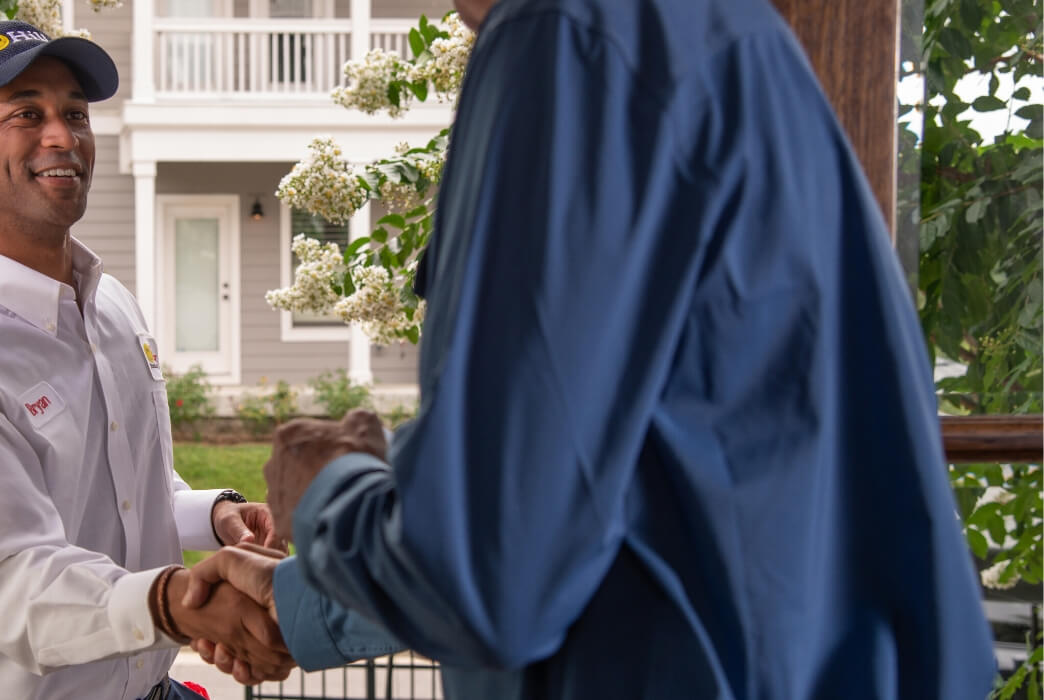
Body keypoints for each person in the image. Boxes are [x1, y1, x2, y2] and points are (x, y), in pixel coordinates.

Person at [185, 0, 998, 697]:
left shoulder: (568, 38)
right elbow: (610, 499)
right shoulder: (701, 36)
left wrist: (326, 489)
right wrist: (303, 604)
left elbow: (491, 576)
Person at [0, 21, 293, 700]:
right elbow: (12, 581)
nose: (62, 135)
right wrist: (180, 603)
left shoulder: (111, 308)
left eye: (75, 114)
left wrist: (212, 516)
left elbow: (112, 488)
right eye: (26, 112)